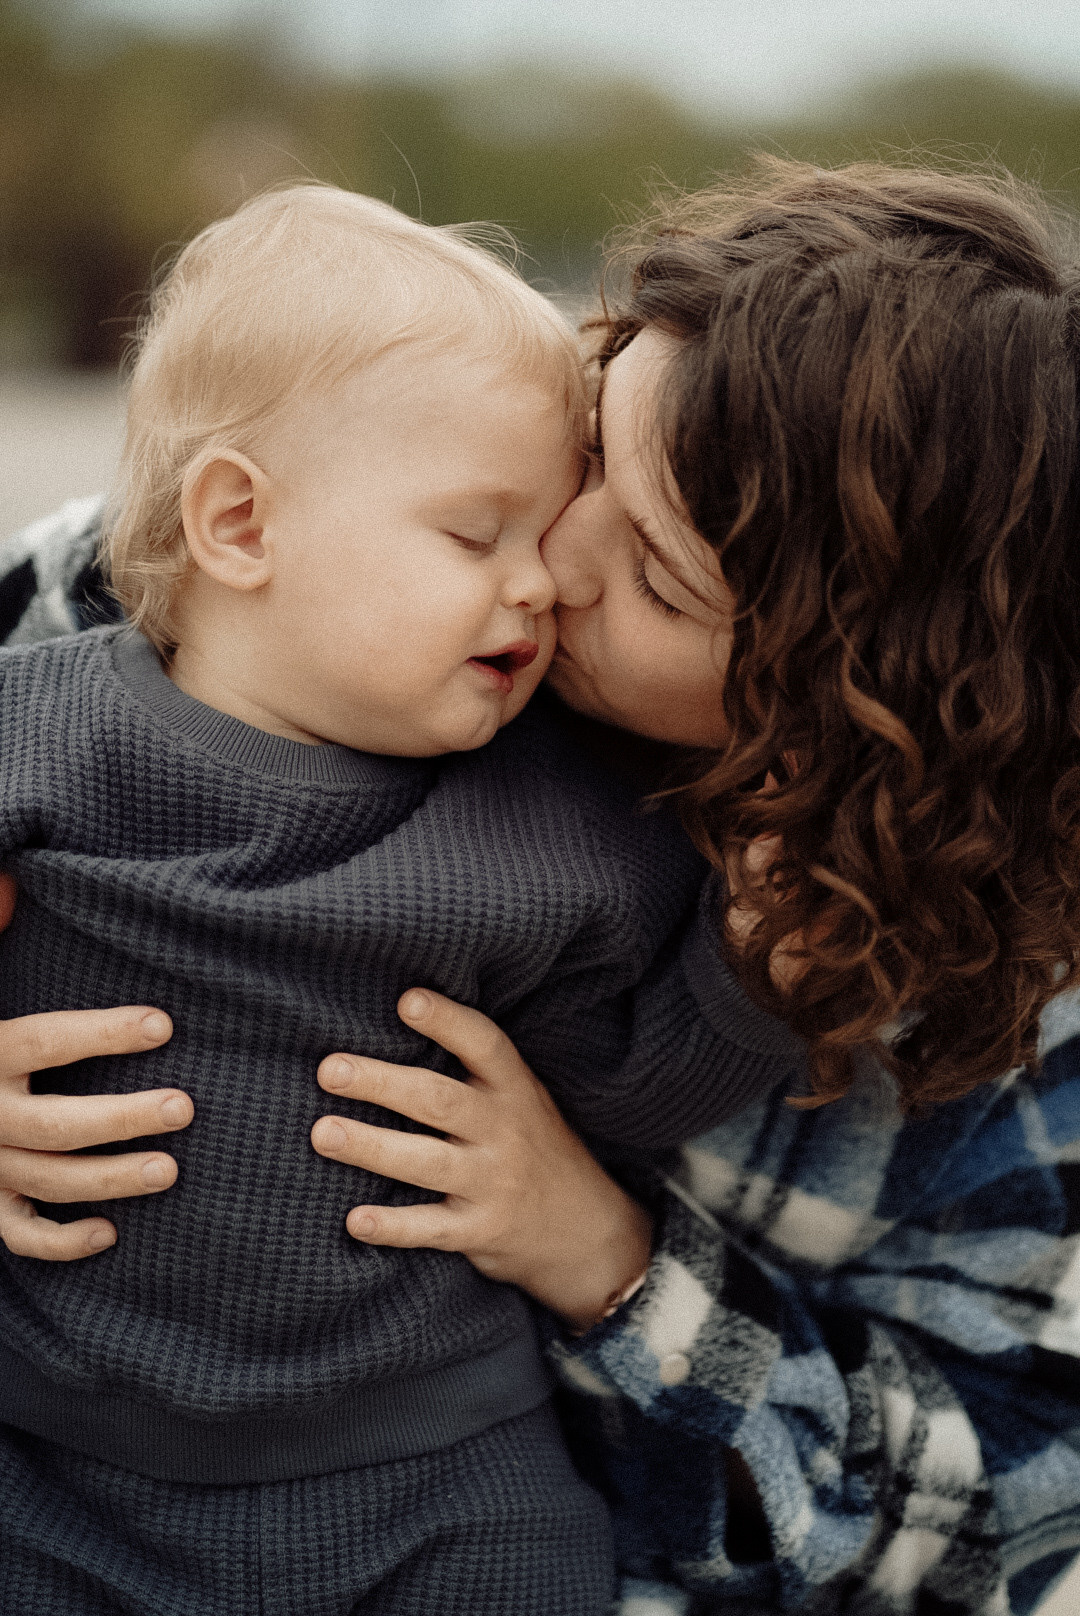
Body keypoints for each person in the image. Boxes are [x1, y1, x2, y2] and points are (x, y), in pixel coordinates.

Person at [3, 158, 1080, 1615]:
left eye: (653, 573)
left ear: (845, 704)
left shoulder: (1005, 995)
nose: (545, 564)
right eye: (591, 435)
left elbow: (1006, 1510)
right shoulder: (157, 597)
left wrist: (616, 1264)